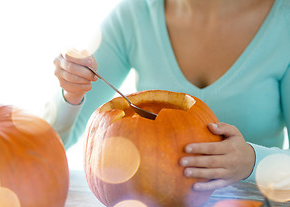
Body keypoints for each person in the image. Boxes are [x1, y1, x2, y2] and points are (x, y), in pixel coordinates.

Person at [47, 0, 290, 191]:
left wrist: (253, 162)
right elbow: (49, 142)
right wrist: (72, 91)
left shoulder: (284, 22)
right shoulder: (134, 14)